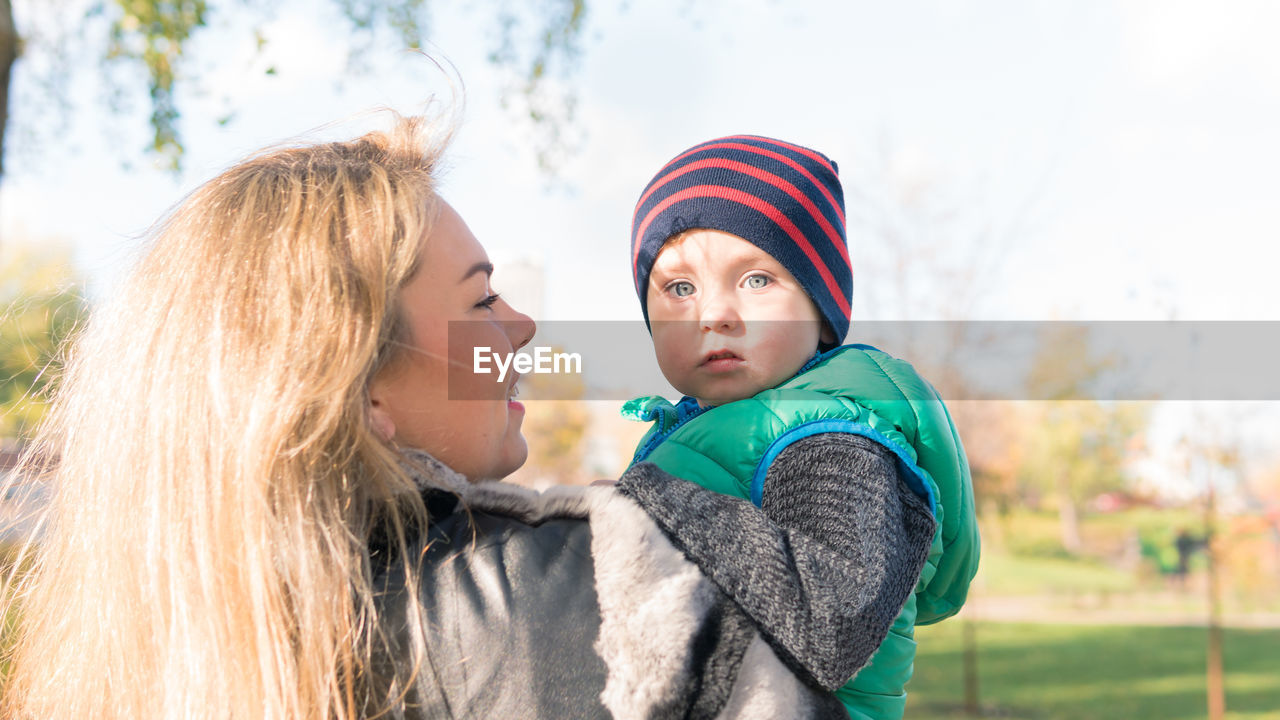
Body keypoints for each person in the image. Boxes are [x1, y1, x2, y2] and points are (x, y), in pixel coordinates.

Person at [1, 115, 934, 719]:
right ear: (360, 388)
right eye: (483, 301)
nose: (525, 326)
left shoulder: (156, 632)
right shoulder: (544, 594)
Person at [626, 135, 981, 719]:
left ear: (821, 310)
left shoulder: (827, 438)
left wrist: (655, 501)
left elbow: (833, 620)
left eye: (756, 280)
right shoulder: (731, 428)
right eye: (680, 288)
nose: (715, 314)